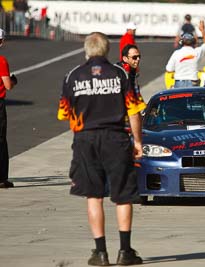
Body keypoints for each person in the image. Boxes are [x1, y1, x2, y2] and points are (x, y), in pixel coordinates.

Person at [57, 32, 144, 266]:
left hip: (86, 138)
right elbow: (134, 111)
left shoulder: (72, 76)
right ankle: (125, 251)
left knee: (94, 196)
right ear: (106, 50)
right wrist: (138, 141)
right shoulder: (120, 74)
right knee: (123, 195)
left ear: (86, 50)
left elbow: (64, 113)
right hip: (116, 137)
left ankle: (100, 252)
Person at [166, 20, 205, 88]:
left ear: (182, 42)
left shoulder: (176, 53)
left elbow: (169, 69)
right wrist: (202, 30)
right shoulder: (196, 52)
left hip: (179, 82)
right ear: (193, 42)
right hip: (193, 82)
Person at [0, 29, 17, 189]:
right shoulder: (1, 61)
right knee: (0, 140)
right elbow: (7, 86)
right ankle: (1, 177)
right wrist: (13, 80)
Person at [117, 44, 147, 115]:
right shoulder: (124, 74)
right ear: (125, 59)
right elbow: (134, 96)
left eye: (139, 56)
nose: (138, 59)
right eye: (134, 57)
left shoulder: (131, 70)